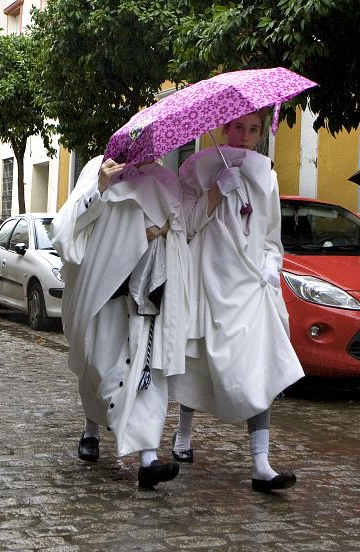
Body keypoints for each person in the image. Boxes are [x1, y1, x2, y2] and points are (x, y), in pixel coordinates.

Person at [168, 110, 305, 493]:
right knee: (198, 358)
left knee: (258, 368)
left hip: (250, 286)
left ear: (262, 134)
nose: (245, 136)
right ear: (226, 128)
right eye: (239, 128)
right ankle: (183, 435)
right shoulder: (198, 167)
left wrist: (270, 265)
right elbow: (187, 224)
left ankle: (261, 463)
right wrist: (216, 191)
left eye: (254, 130)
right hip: (208, 276)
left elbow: (271, 237)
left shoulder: (269, 175)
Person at [52, 154, 189, 490]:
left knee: (144, 375)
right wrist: (101, 187)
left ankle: (148, 459)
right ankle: (92, 430)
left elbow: (182, 230)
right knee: (97, 366)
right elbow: (68, 228)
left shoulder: (164, 182)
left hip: (145, 294)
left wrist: (162, 232)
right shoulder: (101, 168)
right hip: (104, 292)